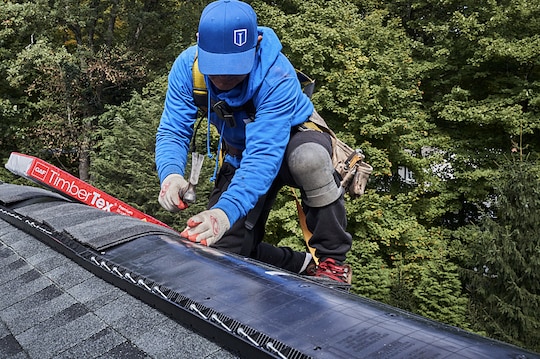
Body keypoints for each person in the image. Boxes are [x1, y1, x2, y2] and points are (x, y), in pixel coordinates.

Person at [155, 0, 352, 284]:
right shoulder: (188, 69)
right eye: (216, 66)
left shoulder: (276, 75)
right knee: (219, 251)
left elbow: (263, 158)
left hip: (288, 146)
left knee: (308, 159)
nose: (223, 77)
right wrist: (171, 175)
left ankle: (333, 262)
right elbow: (173, 130)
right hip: (240, 154)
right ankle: (299, 264)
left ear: (256, 43)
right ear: (200, 45)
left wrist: (223, 213)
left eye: (234, 67)